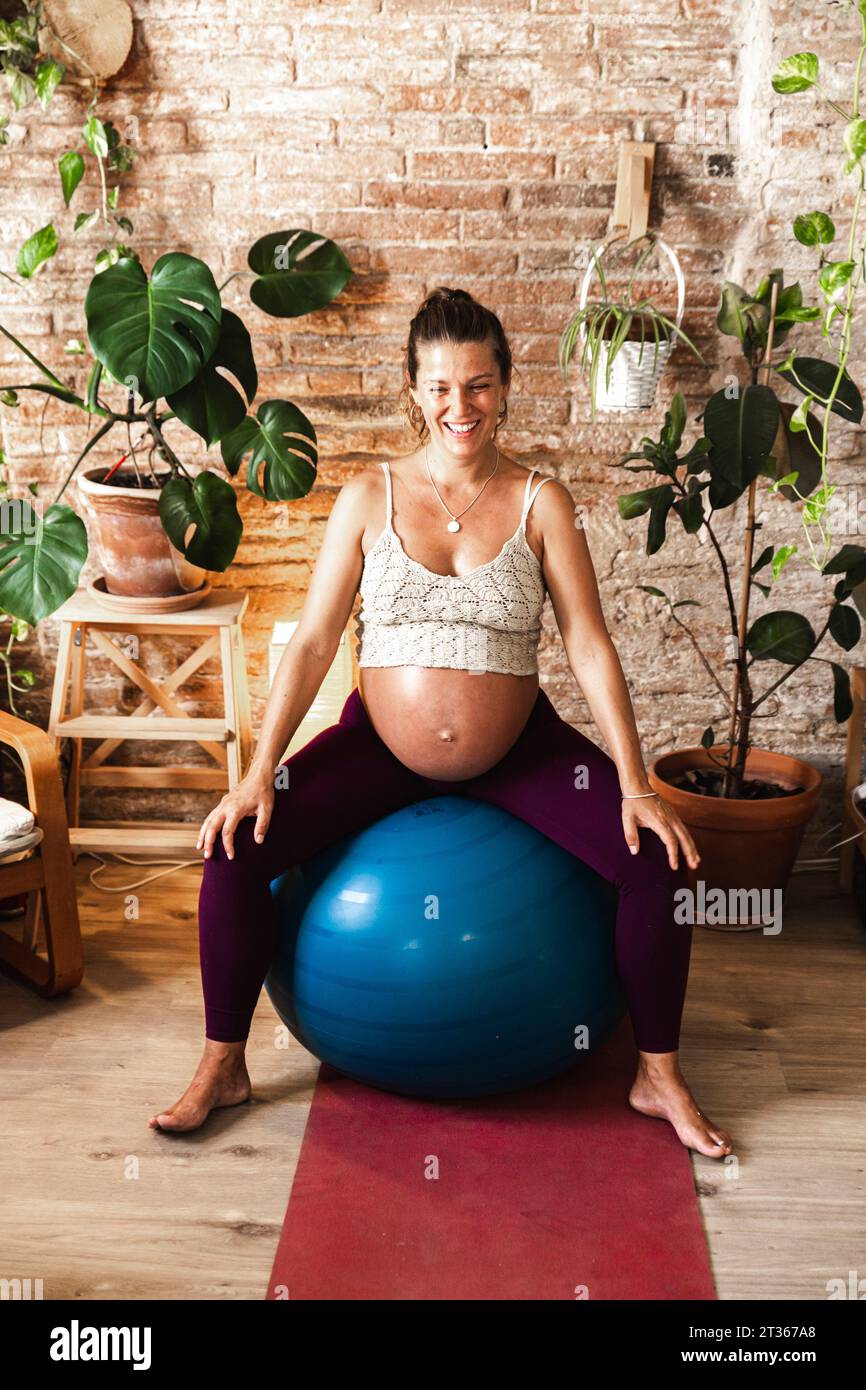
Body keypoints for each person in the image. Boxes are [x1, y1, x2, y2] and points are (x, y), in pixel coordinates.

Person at [149, 287, 732, 1158]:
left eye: (480, 384)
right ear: (413, 392)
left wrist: (634, 784)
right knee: (235, 846)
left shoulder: (543, 501)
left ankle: (658, 1074)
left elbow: (588, 645)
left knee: (658, 860)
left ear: (505, 387)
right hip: (379, 747)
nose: (461, 406)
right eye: (442, 387)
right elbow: (310, 644)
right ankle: (223, 1062)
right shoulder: (367, 496)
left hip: (519, 749)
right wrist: (256, 772)